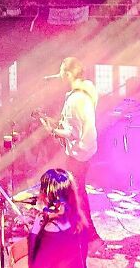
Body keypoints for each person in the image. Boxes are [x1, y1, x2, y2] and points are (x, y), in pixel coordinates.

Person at [39, 57, 98, 241]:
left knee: (77, 196)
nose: (60, 78)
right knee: (77, 193)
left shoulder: (75, 100)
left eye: (62, 73)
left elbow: (72, 132)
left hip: (78, 155)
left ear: (69, 74)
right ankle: (83, 232)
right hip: (86, 152)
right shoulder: (87, 92)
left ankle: (90, 235)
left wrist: (53, 130)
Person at [27, 169, 90, 267]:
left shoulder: (51, 231)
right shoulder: (79, 221)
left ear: (48, 197)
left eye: (41, 190)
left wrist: (34, 233)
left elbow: (34, 265)